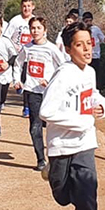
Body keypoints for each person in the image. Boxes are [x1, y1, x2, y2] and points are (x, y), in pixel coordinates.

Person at [40, 21, 105, 210]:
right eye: (79, 45)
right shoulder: (64, 74)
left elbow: (94, 96)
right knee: (62, 197)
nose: (86, 49)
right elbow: (45, 111)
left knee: (88, 199)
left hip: (85, 145)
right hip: (61, 146)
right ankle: (54, 173)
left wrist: (103, 107)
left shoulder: (89, 73)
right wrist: (81, 120)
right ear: (69, 49)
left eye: (89, 44)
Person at [14, 17, 64, 171]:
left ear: (45, 30)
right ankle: (40, 159)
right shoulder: (27, 48)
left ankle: (56, 158)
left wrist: (50, 81)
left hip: (50, 93)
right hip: (32, 91)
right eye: (33, 28)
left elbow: (63, 67)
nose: (35, 31)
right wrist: (17, 80)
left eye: (38, 28)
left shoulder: (52, 48)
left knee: (52, 126)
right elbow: (18, 63)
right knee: (35, 127)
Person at [4, 0, 36, 118]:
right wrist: (13, 47)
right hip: (17, 55)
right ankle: (18, 84)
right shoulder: (15, 21)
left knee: (28, 81)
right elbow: (6, 37)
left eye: (29, 6)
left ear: (33, 7)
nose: (26, 8)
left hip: (30, 55)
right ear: (21, 7)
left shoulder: (35, 20)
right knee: (21, 78)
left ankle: (26, 107)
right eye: (24, 6)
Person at [81, 11, 105, 86]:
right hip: (85, 57)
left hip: (95, 56)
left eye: (90, 21)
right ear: (83, 21)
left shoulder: (95, 29)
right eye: (86, 21)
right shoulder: (82, 30)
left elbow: (103, 38)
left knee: (95, 75)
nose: (89, 23)